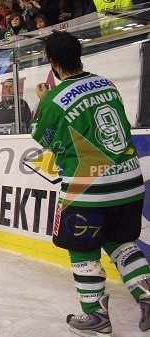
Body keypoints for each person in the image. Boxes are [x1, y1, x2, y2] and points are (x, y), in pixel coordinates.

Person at [31, 31, 150, 336]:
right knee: (120, 242)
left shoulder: (54, 99)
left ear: (52, 62)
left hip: (88, 188)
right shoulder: (107, 84)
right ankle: (147, 296)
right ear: (79, 54)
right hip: (129, 181)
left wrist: (44, 101)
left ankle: (95, 315)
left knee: (82, 249)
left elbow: (42, 137)